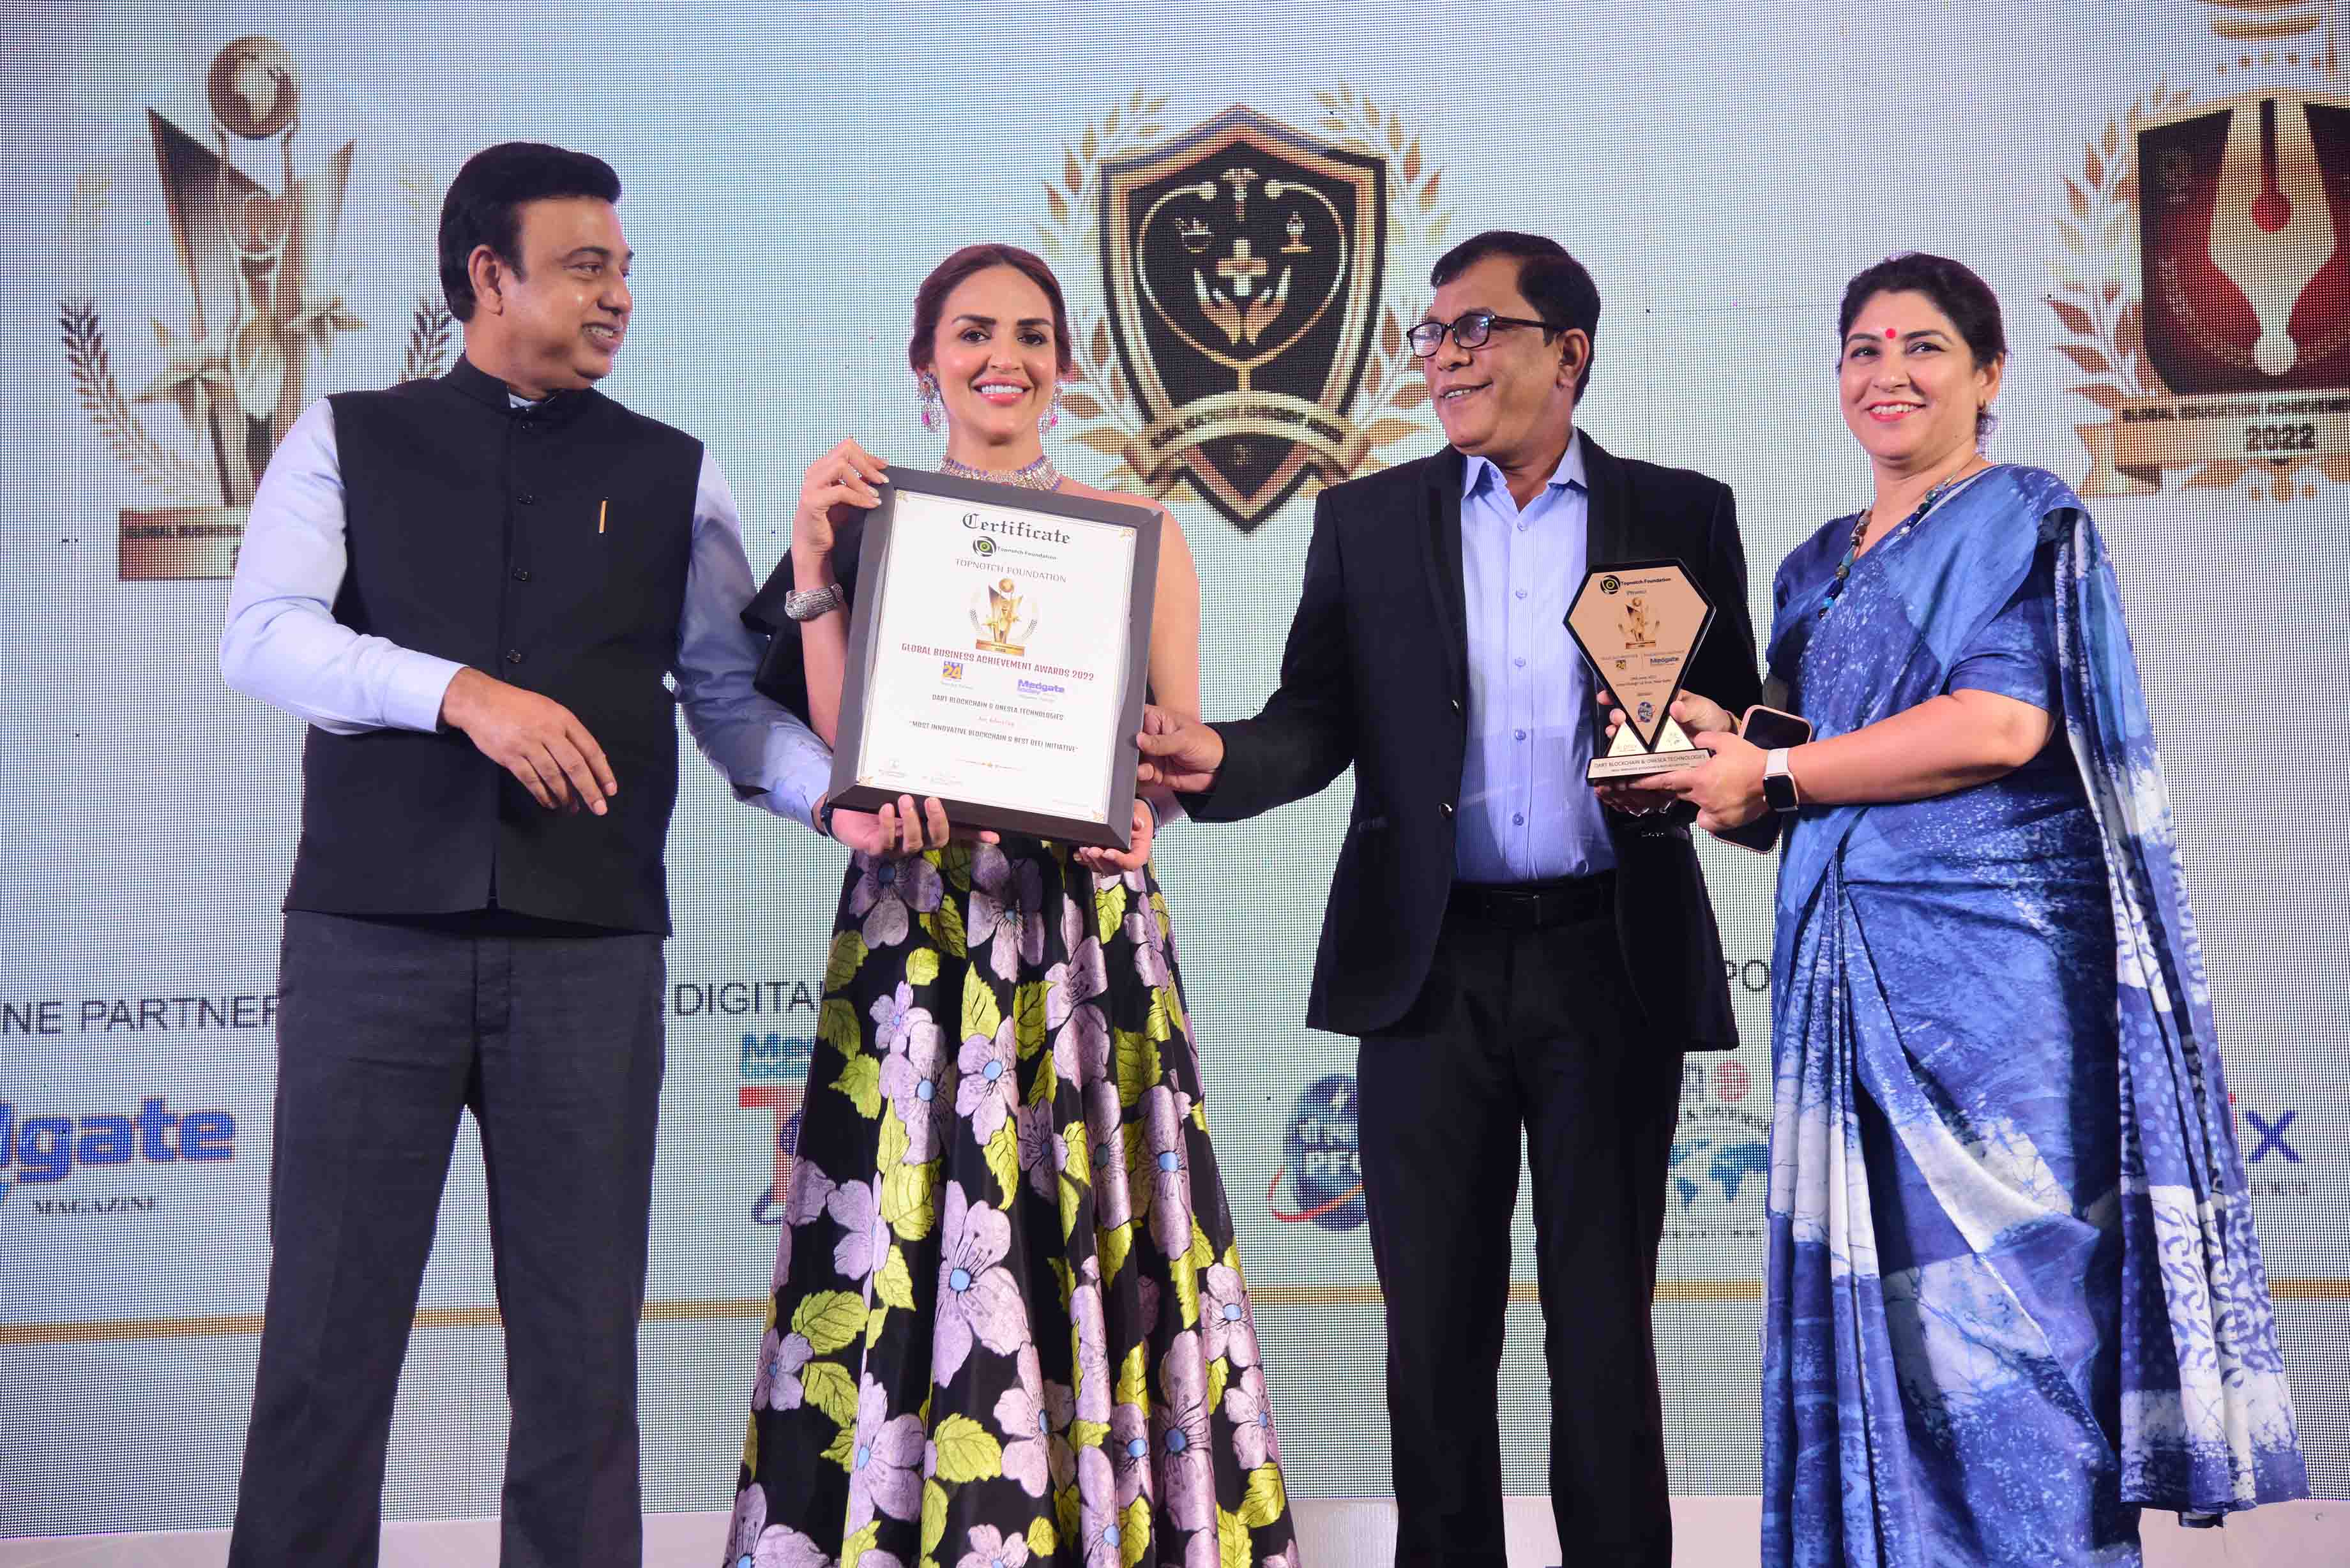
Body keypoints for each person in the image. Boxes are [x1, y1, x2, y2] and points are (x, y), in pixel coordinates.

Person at [1626, 252, 2307, 1565]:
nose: (1888, 374)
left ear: (1989, 375)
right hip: (1847, 980)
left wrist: (1774, 772)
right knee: (1879, 1332)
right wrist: (1716, 751)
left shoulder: (2023, 516)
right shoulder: (1812, 566)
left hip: (1991, 1004)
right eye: (1863, 349)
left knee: (2009, 1335)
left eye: (1924, 347)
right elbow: (1812, 766)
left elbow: (1998, 724)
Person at [216, 142, 840, 1567]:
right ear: (488, 276)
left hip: (588, 953)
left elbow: (727, 699)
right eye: (583, 266)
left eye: (622, 268)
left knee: (581, 1354)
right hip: (371, 941)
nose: (617, 295)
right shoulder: (345, 436)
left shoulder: (675, 470)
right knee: (325, 1339)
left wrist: (837, 800)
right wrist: (461, 693)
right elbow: (262, 636)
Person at [1135, 230, 1758, 1568]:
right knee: (1433, 1336)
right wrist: (1217, 757)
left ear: (1568, 353)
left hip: (1611, 958)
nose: (1445, 356)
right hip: (1427, 970)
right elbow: (1315, 719)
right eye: (1431, 335)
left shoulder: (1680, 512)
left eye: (1478, 328)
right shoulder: (1369, 520)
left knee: (1604, 1329)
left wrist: (1730, 771)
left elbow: (1739, 732)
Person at [727, 243, 1299, 1568]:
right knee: (905, 1235)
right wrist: (813, 555)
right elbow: (845, 748)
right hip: (918, 933)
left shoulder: (1137, 532)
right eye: (974, 331)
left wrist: (1147, 805)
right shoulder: (862, 523)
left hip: (1085, 943)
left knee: (1090, 1234)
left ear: (1065, 364)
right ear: (924, 360)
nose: (1006, 358)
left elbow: (1170, 755)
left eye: (1033, 334)